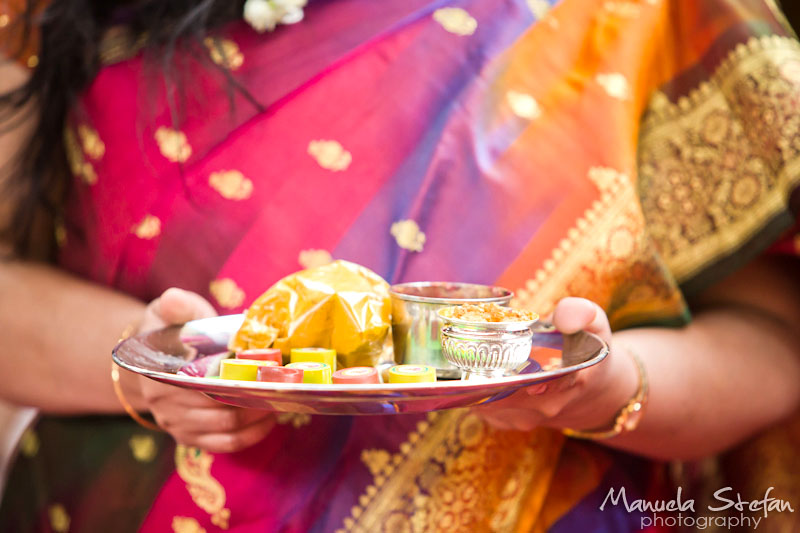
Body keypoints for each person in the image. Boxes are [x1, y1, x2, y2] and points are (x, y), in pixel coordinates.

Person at [0, 0, 799, 531]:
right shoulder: (60, 13)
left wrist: (604, 385)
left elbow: (776, 333)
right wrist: (156, 362)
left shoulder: (652, 13)